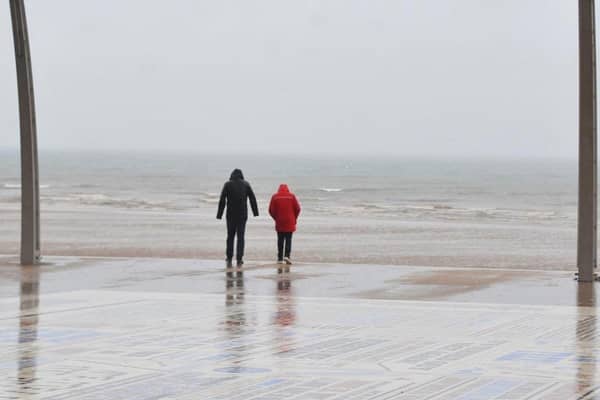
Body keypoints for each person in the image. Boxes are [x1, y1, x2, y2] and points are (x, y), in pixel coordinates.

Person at [217, 169, 259, 268]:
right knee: (241, 237)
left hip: (230, 215)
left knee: (230, 236)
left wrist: (219, 214)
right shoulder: (246, 184)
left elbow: (222, 200)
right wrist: (255, 212)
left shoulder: (227, 184)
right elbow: (252, 198)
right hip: (242, 215)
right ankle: (239, 259)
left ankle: (229, 257)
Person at [268, 184, 301, 265]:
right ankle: (287, 256)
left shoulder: (275, 197)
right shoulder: (292, 196)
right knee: (288, 239)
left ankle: (279, 258)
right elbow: (298, 208)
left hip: (279, 221)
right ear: (287, 189)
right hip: (290, 221)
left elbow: (270, 210)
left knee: (280, 239)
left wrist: (276, 218)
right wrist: (294, 218)